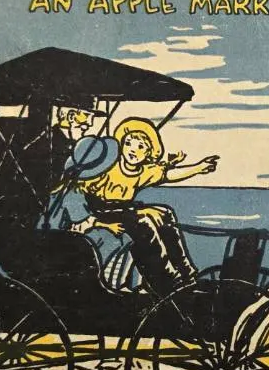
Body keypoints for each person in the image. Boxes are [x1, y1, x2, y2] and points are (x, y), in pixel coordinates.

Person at [75, 117, 218, 294]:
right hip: (102, 210)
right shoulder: (109, 165)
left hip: (123, 209)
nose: (133, 150)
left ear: (149, 153)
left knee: (164, 213)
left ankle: (186, 273)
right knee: (143, 221)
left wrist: (198, 168)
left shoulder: (143, 171)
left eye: (140, 147)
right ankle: (168, 279)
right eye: (128, 143)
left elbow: (168, 175)